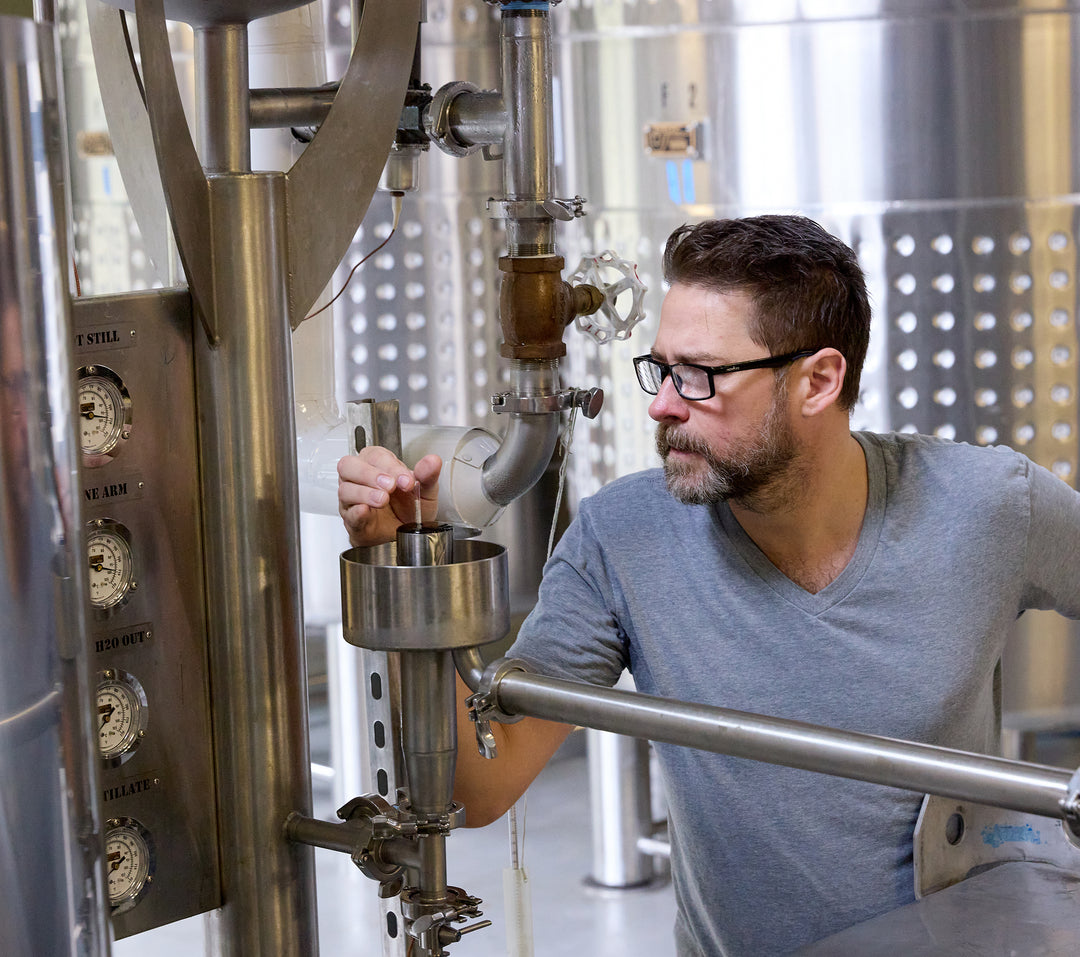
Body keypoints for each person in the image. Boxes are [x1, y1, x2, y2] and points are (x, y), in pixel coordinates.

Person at [337, 215, 1080, 956]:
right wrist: (397, 566)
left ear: (818, 381)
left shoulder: (987, 507)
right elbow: (479, 787)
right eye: (660, 369)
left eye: (700, 375)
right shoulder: (621, 539)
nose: (661, 404)